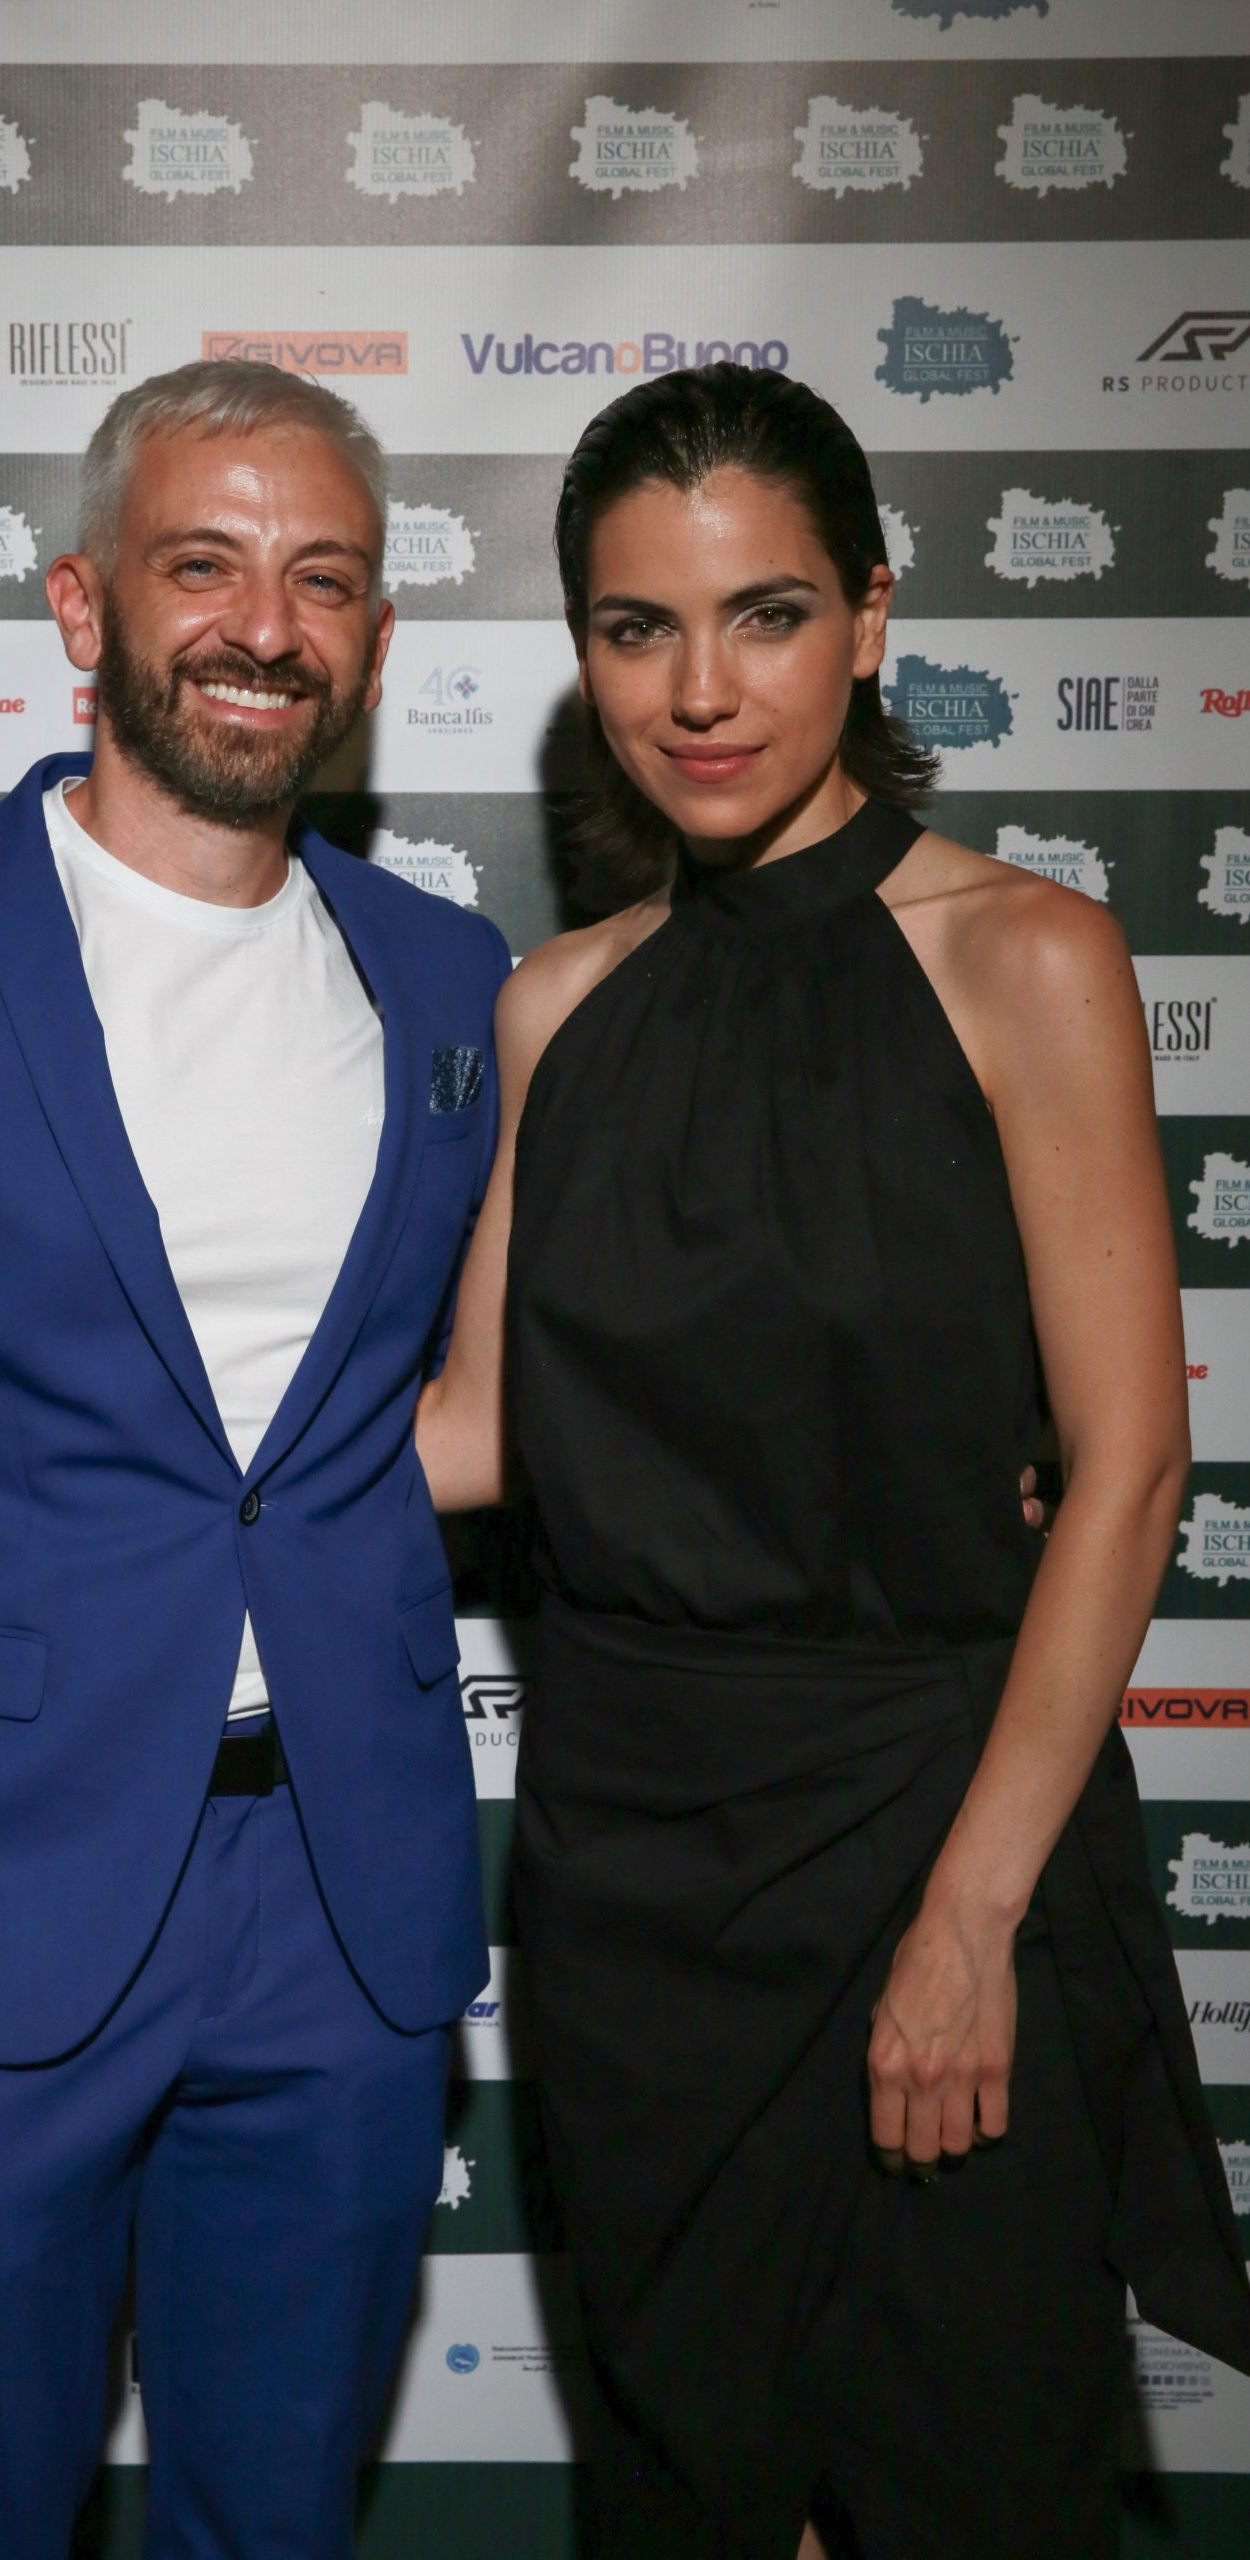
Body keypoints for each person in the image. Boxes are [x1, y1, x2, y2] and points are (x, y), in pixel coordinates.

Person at [417, 364, 1250, 2558]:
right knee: (692, 2503)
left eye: (764, 614)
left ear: (871, 617)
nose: (699, 691)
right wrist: (72, 1454)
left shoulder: (1027, 957)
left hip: (931, 1828)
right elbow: (474, 1432)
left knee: (961, 2487)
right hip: (630, 1886)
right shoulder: (555, 1008)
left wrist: (970, 1918)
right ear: (582, 649)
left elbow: (1131, 1470)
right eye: (637, 629)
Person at [0, 359, 508, 2560]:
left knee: (279, 2525)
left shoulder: (448, 982)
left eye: (321, 579)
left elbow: (456, 1413)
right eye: (203, 564)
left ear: (375, 638)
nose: (264, 626)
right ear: (81, 602)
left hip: (341, 1913)